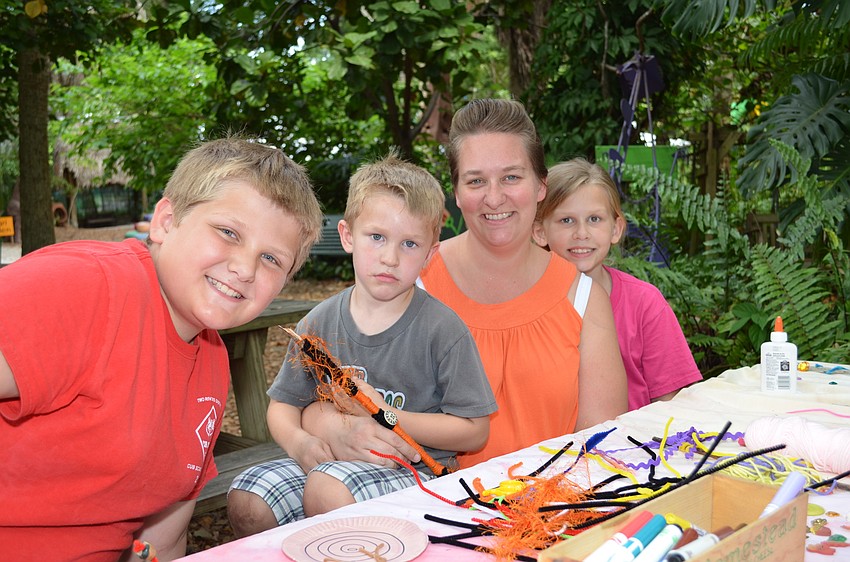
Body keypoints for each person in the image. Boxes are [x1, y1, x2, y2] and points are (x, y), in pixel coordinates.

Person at [0, 137, 323, 562]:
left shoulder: (211, 361)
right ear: (166, 222)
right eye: (228, 232)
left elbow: (162, 538)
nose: (245, 269)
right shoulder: (87, 286)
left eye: (271, 259)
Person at [300, 99, 628, 471]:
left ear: (541, 186)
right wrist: (333, 425)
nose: (493, 197)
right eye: (476, 181)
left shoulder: (583, 298)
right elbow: (324, 394)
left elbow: (599, 440)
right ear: (456, 193)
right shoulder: (410, 278)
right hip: (423, 499)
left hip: (547, 506)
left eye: (511, 177)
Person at [227, 152, 496, 537]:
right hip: (332, 457)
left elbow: (474, 431)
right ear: (348, 236)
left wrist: (387, 415)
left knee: (327, 490)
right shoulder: (317, 324)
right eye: (377, 237)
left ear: (429, 254)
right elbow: (283, 407)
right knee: (249, 498)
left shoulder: (442, 330)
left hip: (418, 472)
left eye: (409, 244)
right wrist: (301, 443)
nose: (389, 257)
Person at [532, 158, 702, 410]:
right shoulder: (526, 305)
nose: (581, 233)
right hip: (550, 447)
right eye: (566, 220)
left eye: (594, 219)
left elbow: (673, 404)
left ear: (616, 229)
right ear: (540, 232)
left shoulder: (645, 304)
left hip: (632, 445)